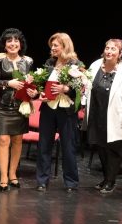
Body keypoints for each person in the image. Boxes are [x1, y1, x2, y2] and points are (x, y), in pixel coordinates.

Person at [35, 32, 85, 193]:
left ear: (65, 46)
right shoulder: (50, 63)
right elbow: (42, 84)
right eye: (52, 45)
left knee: (68, 146)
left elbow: (81, 89)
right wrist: (41, 93)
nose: (53, 48)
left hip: (66, 110)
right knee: (44, 145)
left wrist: (66, 89)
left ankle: (71, 182)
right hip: (48, 108)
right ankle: (42, 180)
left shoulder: (76, 64)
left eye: (56, 45)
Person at [83, 39, 122, 194]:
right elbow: (87, 86)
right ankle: (106, 178)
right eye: (107, 48)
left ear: (120, 53)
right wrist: (84, 102)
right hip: (96, 112)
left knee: (113, 149)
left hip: (116, 114)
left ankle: (111, 181)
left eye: (113, 49)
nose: (109, 51)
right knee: (101, 147)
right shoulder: (95, 65)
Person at [0, 28, 33, 191]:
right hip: (2, 104)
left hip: (20, 105)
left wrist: (32, 88)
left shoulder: (28, 61)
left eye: (16, 40)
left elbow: (29, 84)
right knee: (3, 139)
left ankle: (13, 174)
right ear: (4, 44)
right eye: (9, 41)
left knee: (17, 139)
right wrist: (9, 83)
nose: (13, 43)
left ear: (20, 44)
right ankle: (3, 176)